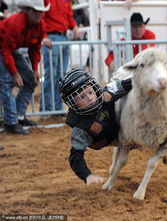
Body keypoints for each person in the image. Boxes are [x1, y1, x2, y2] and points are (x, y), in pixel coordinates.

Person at [59, 68, 132, 185]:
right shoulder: (80, 129)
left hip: (119, 130)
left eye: (90, 92)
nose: (90, 98)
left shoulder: (105, 95)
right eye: (82, 97)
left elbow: (126, 83)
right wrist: (87, 176)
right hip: (102, 140)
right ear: (73, 103)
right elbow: (75, 158)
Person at [0, 0, 50, 135]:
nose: (38, 14)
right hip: (4, 49)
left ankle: (19, 116)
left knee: (31, 80)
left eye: (40, 11)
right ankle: (10, 122)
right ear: (27, 10)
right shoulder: (16, 23)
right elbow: (5, 49)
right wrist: (15, 73)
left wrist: (35, 69)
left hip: (10, 50)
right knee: (6, 83)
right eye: (35, 11)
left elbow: (35, 48)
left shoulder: (40, 25)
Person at [40, 0, 80, 113]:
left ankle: (57, 109)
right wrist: (43, 36)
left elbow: (69, 17)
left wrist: (74, 26)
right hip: (51, 38)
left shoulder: (66, 1)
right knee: (51, 74)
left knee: (61, 75)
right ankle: (46, 109)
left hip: (63, 37)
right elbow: (41, 18)